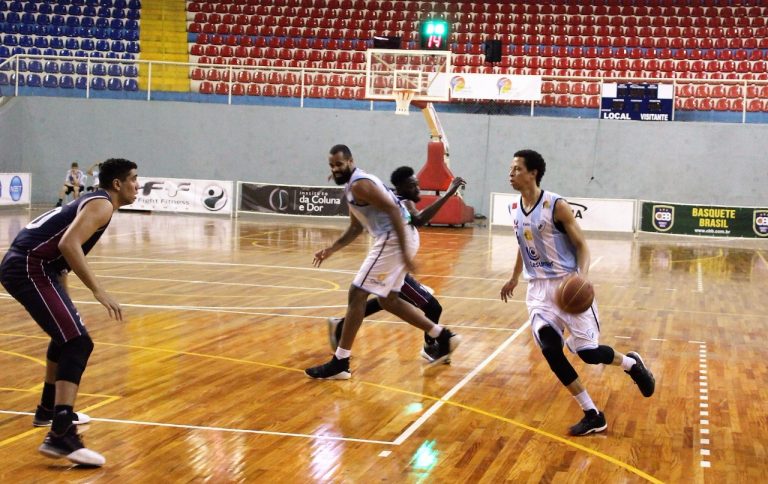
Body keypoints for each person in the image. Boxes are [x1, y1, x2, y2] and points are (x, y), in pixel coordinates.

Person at [499, 149, 655, 436]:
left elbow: (582, 245)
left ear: (533, 173)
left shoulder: (556, 205)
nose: (511, 174)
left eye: (517, 169)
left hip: (567, 284)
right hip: (538, 292)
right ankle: (592, 413)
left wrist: (582, 277)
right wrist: (514, 277)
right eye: (511, 169)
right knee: (550, 350)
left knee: (589, 355)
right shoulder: (513, 209)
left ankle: (631, 364)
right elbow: (524, 245)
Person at [0, 158, 139, 466]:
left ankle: (48, 411)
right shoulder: (102, 205)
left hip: (33, 266)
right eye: (133, 179)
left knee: (66, 336)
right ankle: (61, 435)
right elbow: (68, 244)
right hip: (29, 267)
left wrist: (66, 303)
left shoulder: (93, 200)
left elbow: (60, 259)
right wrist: (98, 290)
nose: (137, 186)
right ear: (117, 184)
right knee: (78, 342)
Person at [305, 145, 461, 380]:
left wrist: (405, 253)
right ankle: (443, 336)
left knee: (357, 293)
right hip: (399, 238)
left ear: (350, 161)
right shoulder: (353, 187)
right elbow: (356, 227)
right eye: (332, 165)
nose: (335, 169)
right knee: (388, 300)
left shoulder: (360, 185)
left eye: (339, 164)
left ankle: (340, 362)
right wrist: (331, 249)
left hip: (393, 238)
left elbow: (393, 211)